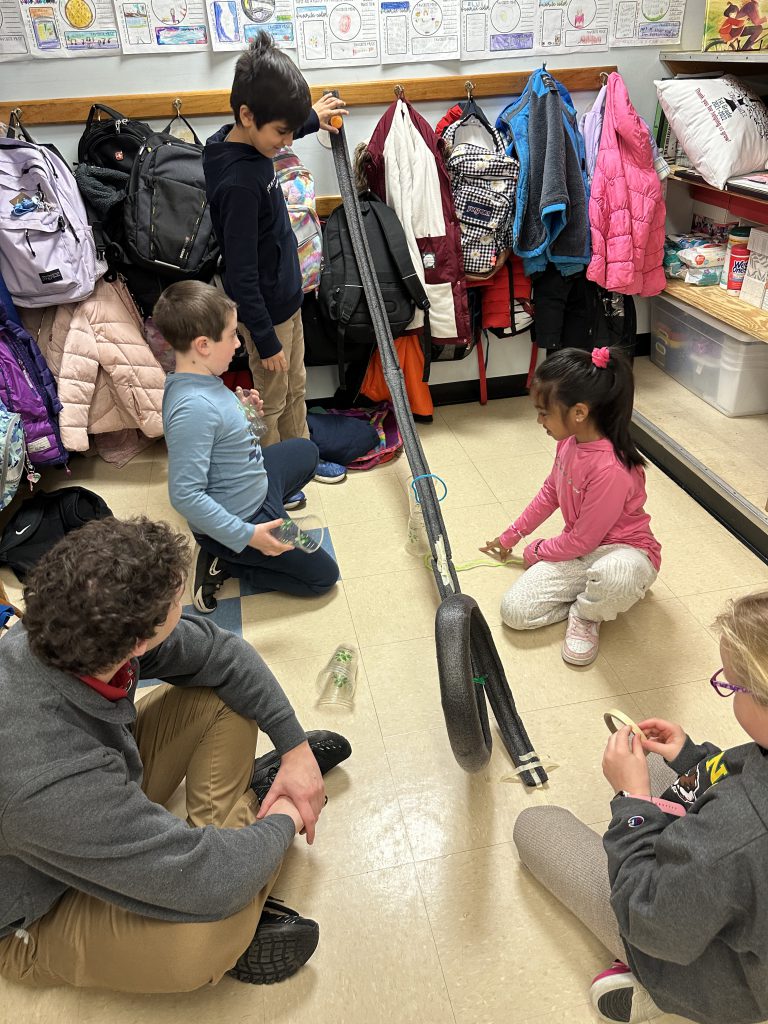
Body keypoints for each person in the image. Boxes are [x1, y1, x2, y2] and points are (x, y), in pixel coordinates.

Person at [0, 516, 351, 993]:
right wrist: (291, 811)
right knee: (206, 938)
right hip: (35, 905)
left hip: (95, 789)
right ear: (138, 641)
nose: (184, 612)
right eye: (176, 606)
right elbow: (211, 883)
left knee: (223, 696)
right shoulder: (44, 779)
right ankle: (255, 821)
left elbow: (224, 656)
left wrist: (295, 749)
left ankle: (247, 830)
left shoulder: (66, 630)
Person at [513, 590, 768, 1023]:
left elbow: (650, 919)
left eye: (731, 686)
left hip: (714, 972)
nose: (728, 693)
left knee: (535, 825)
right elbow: (744, 778)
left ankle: (661, 997)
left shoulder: (738, 834)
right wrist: (693, 758)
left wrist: (630, 805)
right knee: (653, 759)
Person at [203, 31, 348, 493]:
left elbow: (273, 129)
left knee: (298, 388)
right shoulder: (240, 184)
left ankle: (301, 456)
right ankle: (272, 480)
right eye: (282, 133)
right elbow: (242, 277)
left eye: (290, 130)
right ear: (247, 116)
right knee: (272, 400)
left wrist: (311, 119)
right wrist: (265, 341)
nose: (287, 140)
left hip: (287, 300)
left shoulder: (239, 141)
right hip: (266, 313)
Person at [155, 280, 340, 613]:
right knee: (324, 577)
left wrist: (247, 416)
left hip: (255, 482)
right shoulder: (192, 408)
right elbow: (184, 495)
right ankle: (227, 560)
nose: (238, 344)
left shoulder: (200, 379)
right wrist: (247, 536)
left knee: (307, 452)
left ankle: (257, 531)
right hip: (247, 517)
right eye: (231, 335)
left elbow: (232, 443)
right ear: (203, 345)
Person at [481, 346, 661, 667]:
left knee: (616, 573)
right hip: (581, 554)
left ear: (579, 412)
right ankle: (595, 592)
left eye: (544, 412)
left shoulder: (611, 468)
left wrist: (536, 550)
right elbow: (551, 492)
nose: (539, 420)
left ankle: (588, 613)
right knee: (514, 611)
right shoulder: (569, 441)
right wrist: (511, 536)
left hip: (623, 552)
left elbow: (583, 540)